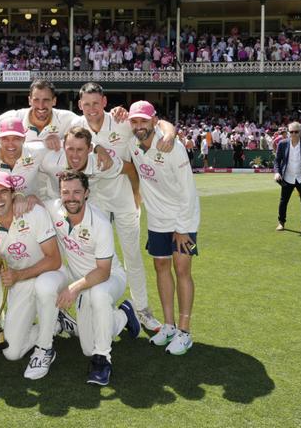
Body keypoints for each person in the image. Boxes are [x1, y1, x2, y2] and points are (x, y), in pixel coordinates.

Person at [73, 83, 175, 333]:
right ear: (79, 105)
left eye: (96, 103)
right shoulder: (75, 127)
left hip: (125, 198)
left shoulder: (121, 121)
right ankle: (99, 308)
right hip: (95, 200)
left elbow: (156, 123)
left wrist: (170, 133)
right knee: (95, 257)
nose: (92, 109)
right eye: (86, 104)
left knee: (132, 256)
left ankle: (142, 311)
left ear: (105, 102)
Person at [0, 172, 66, 379]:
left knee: (43, 289)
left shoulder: (33, 213)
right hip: (15, 280)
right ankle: (55, 322)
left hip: (46, 273)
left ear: (13, 194)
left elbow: (54, 260)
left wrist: (19, 275)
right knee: (9, 349)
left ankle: (45, 345)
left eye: (3, 192)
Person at [46, 171, 141, 386]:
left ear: (87, 193)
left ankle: (102, 360)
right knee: (87, 346)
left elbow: (103, 271)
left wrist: (74, 288)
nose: (71, 197)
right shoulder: (55, 209)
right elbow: (34, 205)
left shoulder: (100, 223)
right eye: (66, 192)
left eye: (77, 192)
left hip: (108, 278)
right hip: (80, 279)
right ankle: (124, 315)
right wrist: (26, 199)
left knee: (98, 296)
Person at [127, 101, 200, 355]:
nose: (138, 126)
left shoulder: (172, 146)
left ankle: (184, 331)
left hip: (183, 216)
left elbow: (187, 190)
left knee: (182, 268)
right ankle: (168, 326)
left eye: (143, 121)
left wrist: (182, 228)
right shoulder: (131, 142)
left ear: (154, 121)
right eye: (134, 121)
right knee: (160, 267)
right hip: (157, 217)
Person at [274, 121, 301, 233]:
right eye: (291, 132)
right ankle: (281, 223)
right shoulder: (282, 144)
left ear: (300, 132)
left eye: (296, 132)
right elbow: (277, 160)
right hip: (287, 177)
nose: (293, 134)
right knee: (283, 201)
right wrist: (277, 172)